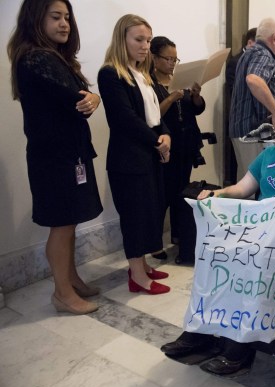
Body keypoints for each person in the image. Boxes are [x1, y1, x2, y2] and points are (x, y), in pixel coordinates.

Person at [161, 95, 275, 376]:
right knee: (218, 259)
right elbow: (243, 188)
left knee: (252, 267)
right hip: (259, 233)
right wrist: (216, 194)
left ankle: (239, 349)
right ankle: (202, 330)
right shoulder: (269, 155)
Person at [7, 0, 103, 315]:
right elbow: (76, 99)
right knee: (62, 225)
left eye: (66, 17)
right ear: (36, 19)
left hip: (67, 153)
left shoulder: (54, 58)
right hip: (54, 157)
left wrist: (94, 97)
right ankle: (62, 293)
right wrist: (92, 97)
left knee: (69, 222)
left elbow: (85, 96)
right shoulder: (36, 59)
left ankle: (71, 278)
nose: (64, 24)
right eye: (55, 17)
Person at [97, 14, 171, 295]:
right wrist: (157, 141)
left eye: (148, 40)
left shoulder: (142, 74)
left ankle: (141, 265)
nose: (145, 46)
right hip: (128, 158)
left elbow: (154, 113)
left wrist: (166, 134)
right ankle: (137, 276)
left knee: (148, 212)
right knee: (135, 217)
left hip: (148, 153)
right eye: (139, 39)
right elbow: (124, 119)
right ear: (122, 39)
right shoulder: (110, 73)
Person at [150, 36, 206, 263]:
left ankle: (179, 234)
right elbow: (154, 116)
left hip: (185, 143)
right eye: (168, 58)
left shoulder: (178, 79)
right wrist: (173, 96)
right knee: (162, 194)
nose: (172, 63)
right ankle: (153, 242)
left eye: (175, 59)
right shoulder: (149, 83)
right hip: (165, 145)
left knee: (182, 191)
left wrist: (195, 95)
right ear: (154, 58)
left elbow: (196, 110)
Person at [229, 18, 275, 181]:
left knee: (245, 184)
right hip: (255, 133)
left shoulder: (251, 53)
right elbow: (254, 80)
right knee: (256, 185)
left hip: (245, 130)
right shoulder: (263, 54)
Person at [225, 27, 257, 97]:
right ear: (250, 43)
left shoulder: (261, 61)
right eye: (260, 44)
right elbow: (234, 92)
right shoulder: (234, 63)